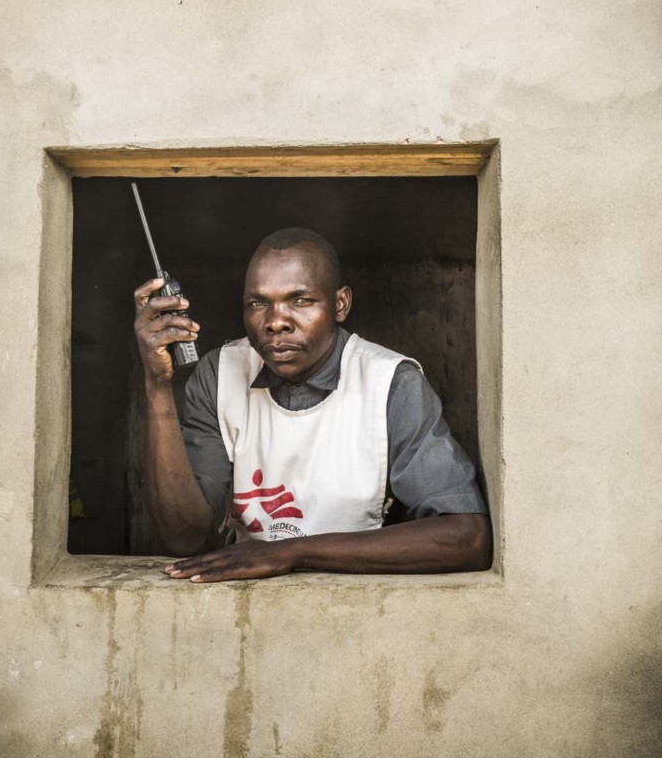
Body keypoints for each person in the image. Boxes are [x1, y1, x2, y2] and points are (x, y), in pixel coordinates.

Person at [133, 228, 491, 582]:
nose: (276, 322)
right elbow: (183, 537)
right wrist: (158, 385)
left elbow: (466, 537)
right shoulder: (220, 372)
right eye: (258, 303)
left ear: (340, 304)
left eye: (301, 301)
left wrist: (291, 551)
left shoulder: (391, 383)